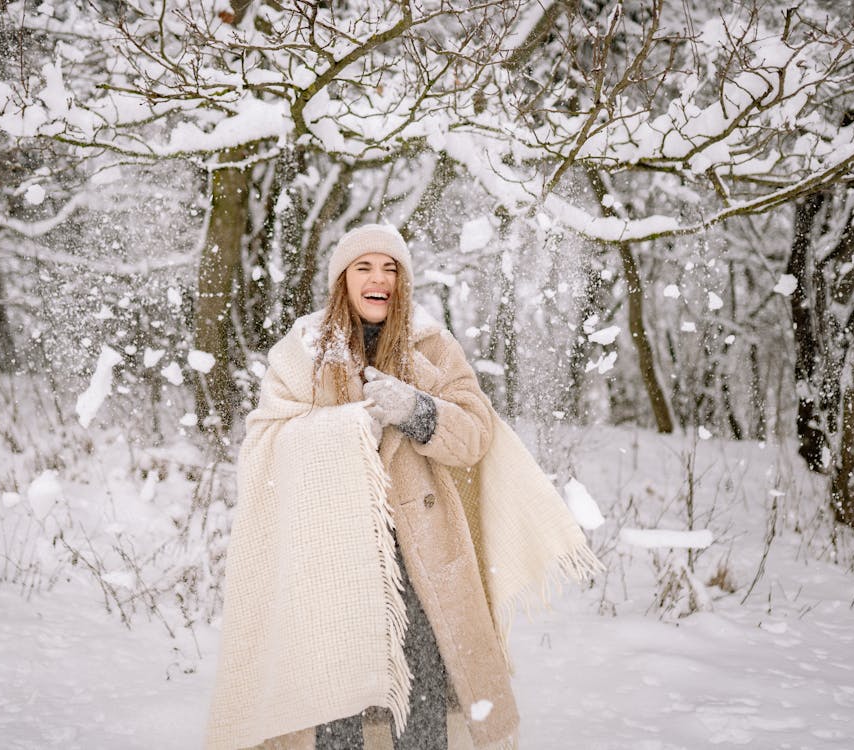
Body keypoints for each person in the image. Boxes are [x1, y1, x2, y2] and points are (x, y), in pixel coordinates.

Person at [206, 224, 601, 750]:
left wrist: (418, 410)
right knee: (335, 693)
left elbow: (476, 433)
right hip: (334, 550)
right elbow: (266, 443)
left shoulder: (433, 346)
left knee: (425, 689)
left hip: (424, 550)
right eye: (364, 267)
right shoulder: (302, 350)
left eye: (390, 268)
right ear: (342, 279)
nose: (379, 280)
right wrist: (347, 431)